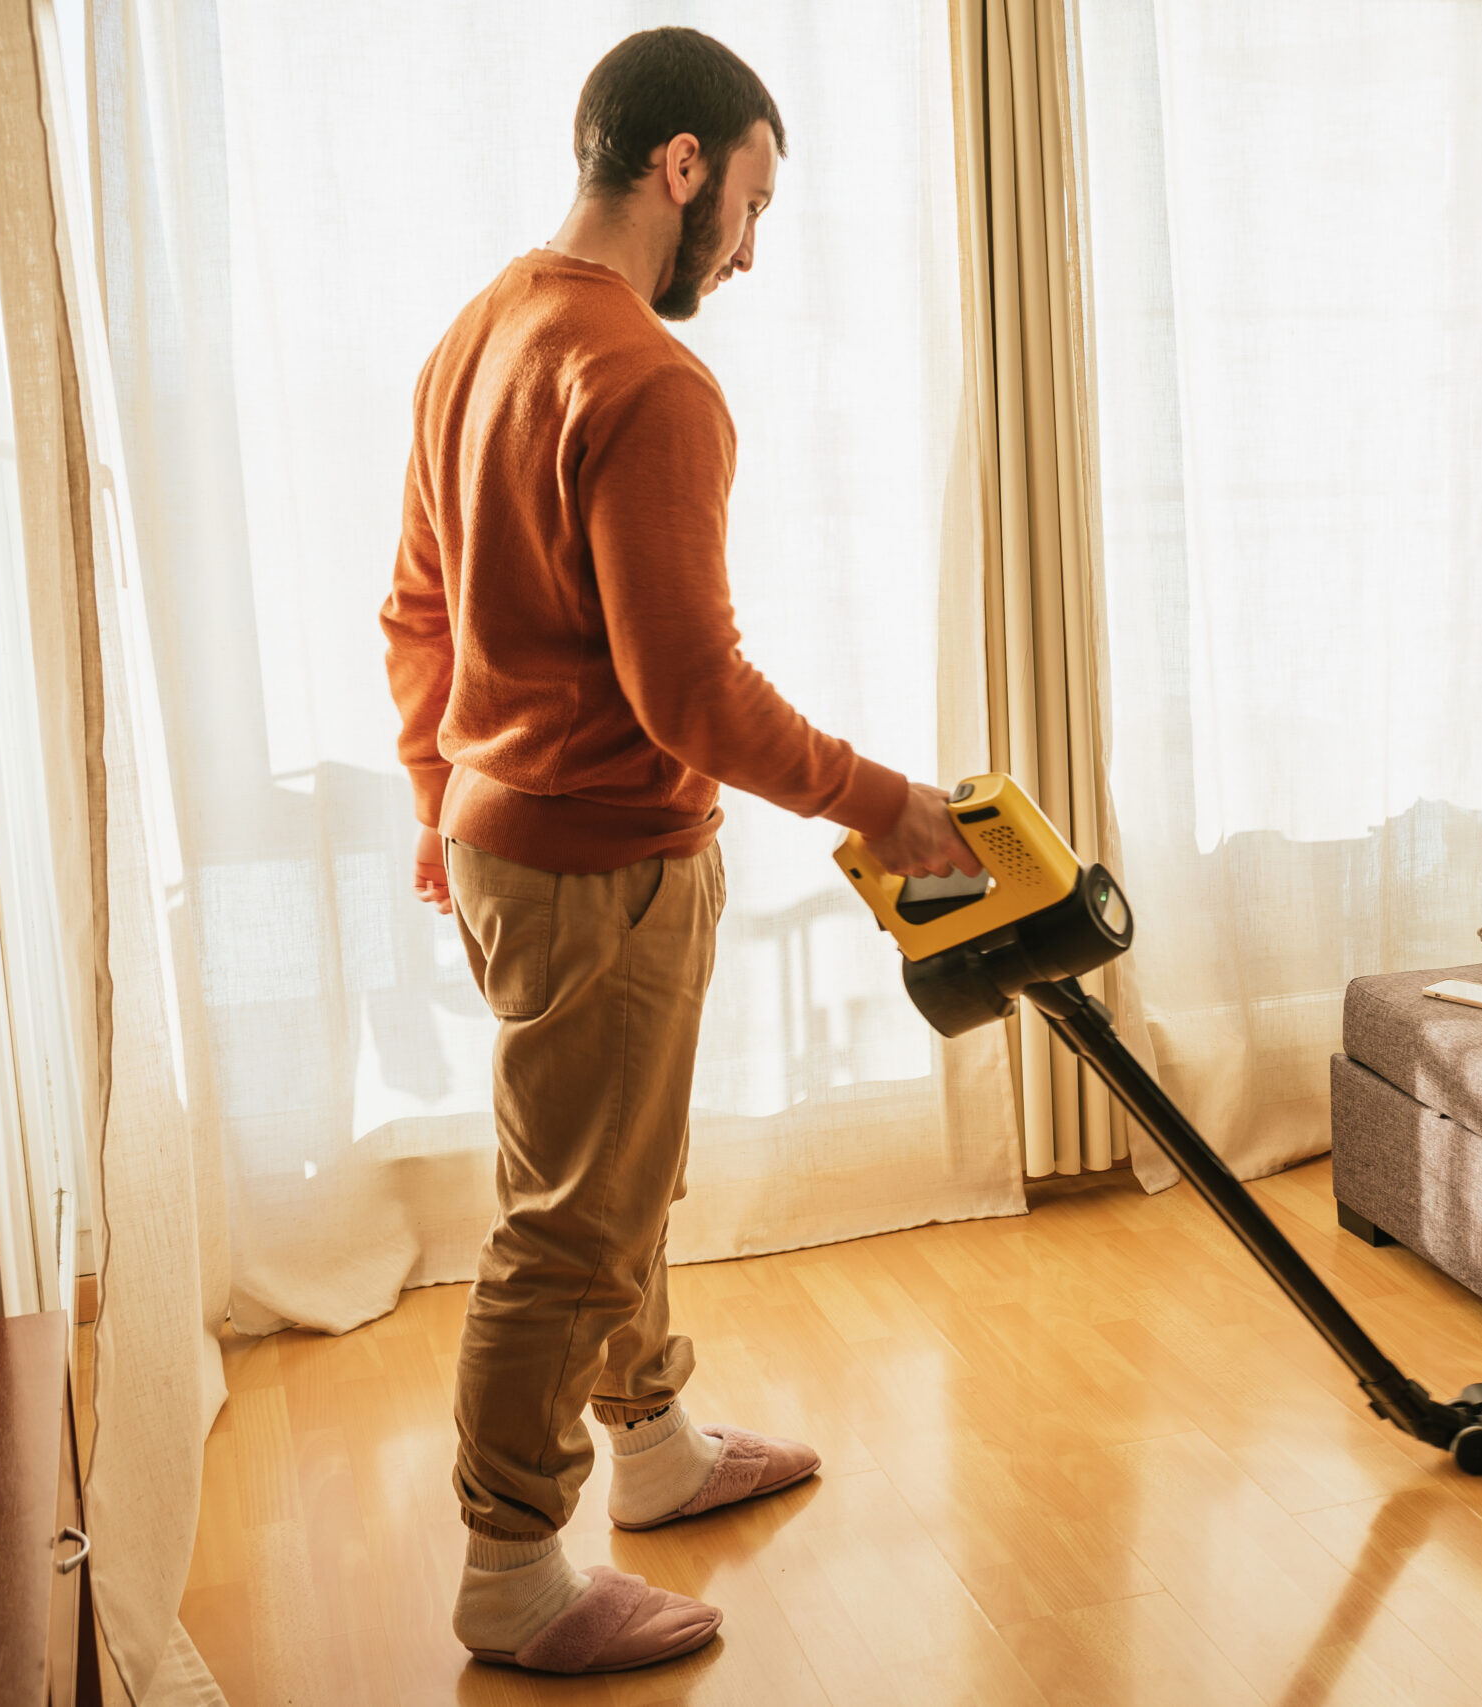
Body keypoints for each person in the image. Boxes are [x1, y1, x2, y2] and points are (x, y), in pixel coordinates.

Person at [379, 26, 978, 1675]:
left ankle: (649, 1444)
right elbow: (692, 693)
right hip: (602, 861)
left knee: (616, 1180)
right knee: (567, 1223)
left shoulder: (480, 330)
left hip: (511, 842)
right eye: (754, 203)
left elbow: (417, 608)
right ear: (684, 166)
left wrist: (439, 796)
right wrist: (886, 801)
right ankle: (512, 1571)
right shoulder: (647, 376)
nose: (753, 249)